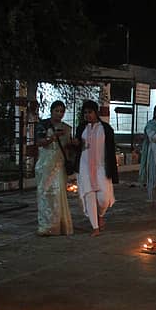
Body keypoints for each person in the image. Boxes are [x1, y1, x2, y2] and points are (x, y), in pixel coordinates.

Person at [74, 100, 118, 237]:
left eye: (90, 112)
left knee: (103, 198)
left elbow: (110, 149)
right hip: (85, 167)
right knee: (89, 195)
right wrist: (76, 144)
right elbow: (77, 146)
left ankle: (100, 215)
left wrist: (112, 168)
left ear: (96, 112)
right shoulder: (81, 128)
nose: (87, 115)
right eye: (85, 113)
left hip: (101, 167)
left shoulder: (105, 128)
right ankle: (95, 227)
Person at [34, 100, 74, 236]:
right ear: (51, 111)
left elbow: (68, 146)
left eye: (62, 111)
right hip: (45, 164)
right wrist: (52, 137)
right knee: (45, 193)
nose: (59, 114)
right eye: (57, 111)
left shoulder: (66, 128)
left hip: (59, 164)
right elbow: (39, 142)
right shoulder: (43, 125)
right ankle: (46, 226)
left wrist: (74, 144)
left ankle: (60, 225)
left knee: (58, 193)